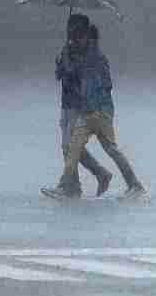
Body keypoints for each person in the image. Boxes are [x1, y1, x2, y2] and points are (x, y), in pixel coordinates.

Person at [43, 21, 147, 200]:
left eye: (78, 37)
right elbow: (69, 74)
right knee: (72, 148)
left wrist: (97, 100)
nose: (75, 41)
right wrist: (65, 61)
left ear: (87, 38)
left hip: (101, 112)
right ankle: (65, 185)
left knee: (111, 149)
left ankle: (135, 185)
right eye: (73, 38)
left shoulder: (95, 57)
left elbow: (105, 83)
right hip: (86, 112)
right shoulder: (80, 53)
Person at [47, 14, 113, 197]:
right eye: (70, 28)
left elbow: (78, 74)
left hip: (81, 104)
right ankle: (92, 177)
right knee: (68, 146)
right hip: (67, 103)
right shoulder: (69, 48)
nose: (72, 33)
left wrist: (67, 63)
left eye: (75, 29)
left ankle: (69, 185)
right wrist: (60, 63)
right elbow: (61, 75)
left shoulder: (89, 52)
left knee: (70, 145)